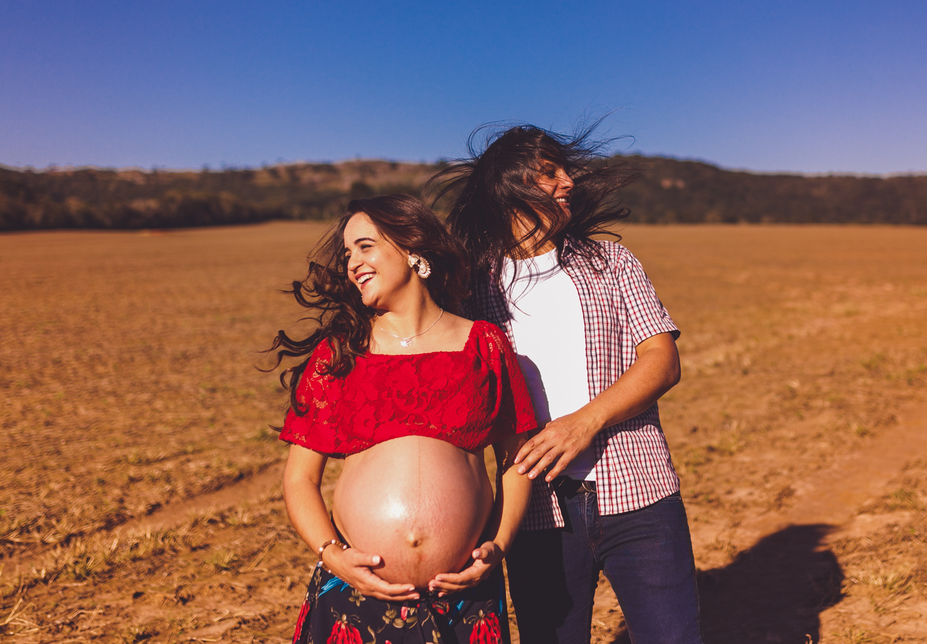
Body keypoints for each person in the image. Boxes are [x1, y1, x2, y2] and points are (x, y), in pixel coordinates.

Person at [439, 127, 704, 644]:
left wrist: (584, 424)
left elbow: (662, 359)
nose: (569, 180)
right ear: (508, 187)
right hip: (534, 510)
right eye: (549, 171)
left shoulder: (610, 263)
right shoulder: (473, 289)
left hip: (640, 494)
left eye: (565, 169)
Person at [271, 195, 538, 644]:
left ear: (412, 248)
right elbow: (299, 479)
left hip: (463, 597)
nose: (353, 262)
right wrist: (333, 557)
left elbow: (516, 461)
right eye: (348, 253)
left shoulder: (484, 344)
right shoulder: (340, 353)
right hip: (357, 596)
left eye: (365, 246)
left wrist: (500, 546)